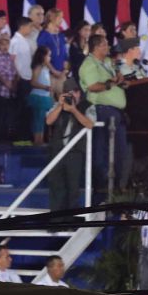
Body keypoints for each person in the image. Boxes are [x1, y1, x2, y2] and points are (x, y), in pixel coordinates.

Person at [41, 80, 95, 211]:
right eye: (68, 93)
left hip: (75, 152)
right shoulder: (58, 105)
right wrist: (60, 106)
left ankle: (70, 221)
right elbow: (48, 121)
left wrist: (74, 110)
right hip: (57, 151)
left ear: (79, 93)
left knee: (73, 188)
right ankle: (56, 222)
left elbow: (90, 124)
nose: (72, 96)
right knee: (56, 186)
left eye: (74, 93)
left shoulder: (88, 106)